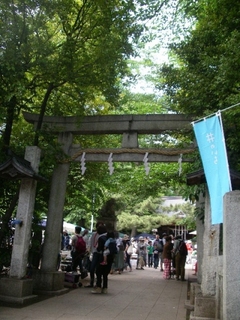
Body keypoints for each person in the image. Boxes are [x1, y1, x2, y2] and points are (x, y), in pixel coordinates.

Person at [91, 227, 114, 294]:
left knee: (98, 272)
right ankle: (105, 288)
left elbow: (99, 249)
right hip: (110, 258)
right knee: (105, 274)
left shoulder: (101, 238)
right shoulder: (113, 240)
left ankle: (98, 287)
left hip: (102, 257)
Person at [85, 221, 105, 288]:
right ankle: (92, 281)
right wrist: (88, 250)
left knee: (99, 269)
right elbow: (90, 243)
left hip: (101, 253)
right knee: (92, 268)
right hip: (95, 253)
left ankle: (98, 282)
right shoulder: (94, 234)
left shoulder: (104, 235)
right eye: (99, 226)